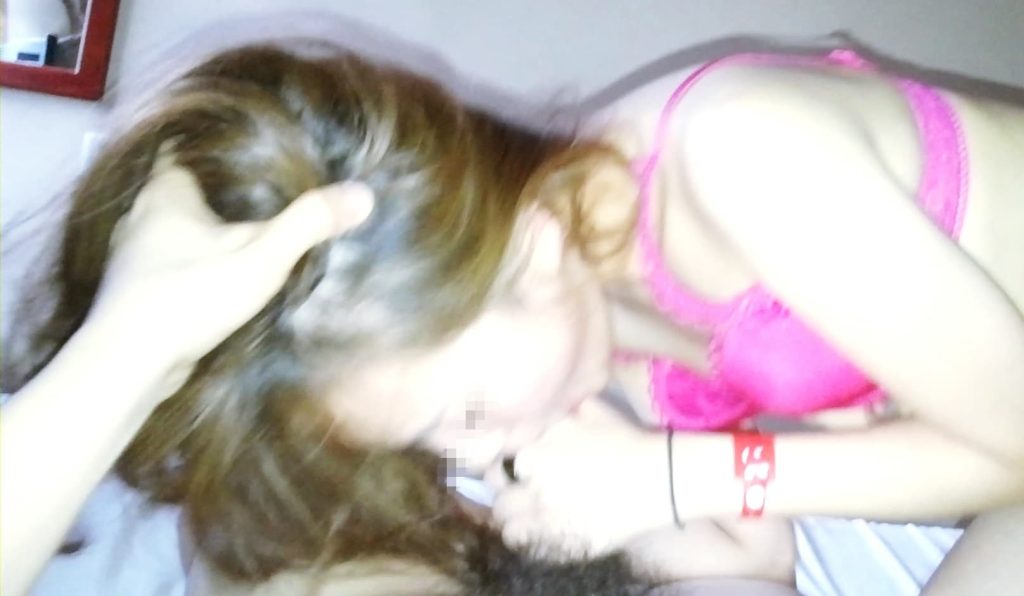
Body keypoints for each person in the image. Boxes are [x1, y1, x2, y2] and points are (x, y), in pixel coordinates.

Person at [4, 38, 1022, 591]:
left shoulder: (736, 156)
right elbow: (766, 545)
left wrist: (676, 474)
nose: (474, 452)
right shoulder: (597, 307)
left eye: (462, 412)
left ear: (528, 251)